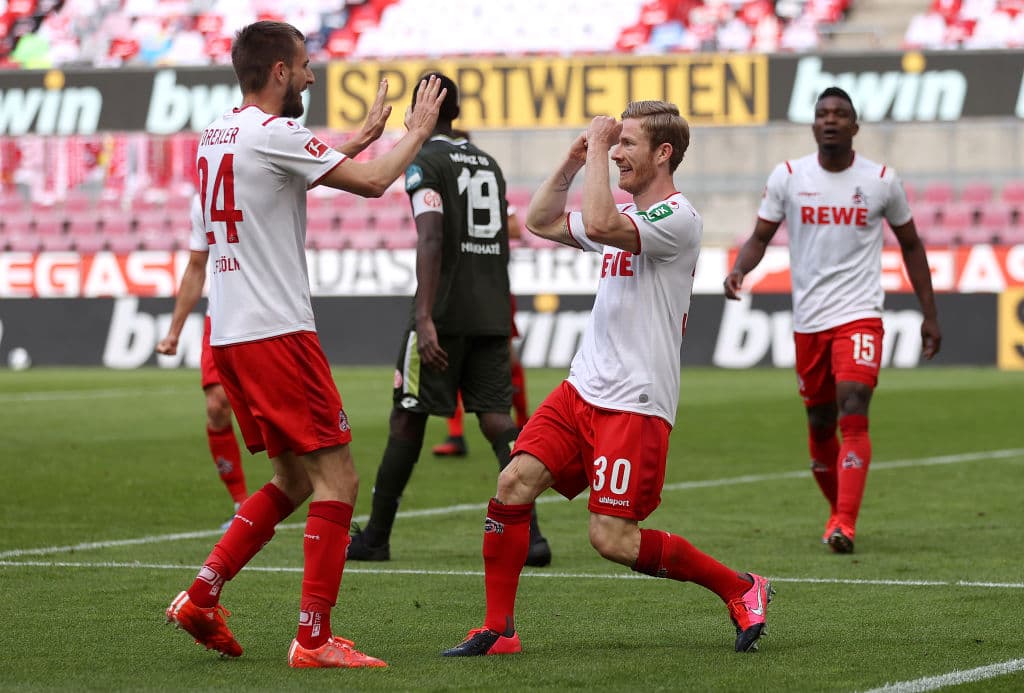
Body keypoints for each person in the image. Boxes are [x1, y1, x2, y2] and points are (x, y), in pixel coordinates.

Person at [443, 101, 774, 658]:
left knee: (611, 539)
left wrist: (597, 151)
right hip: (583, 389)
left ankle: (741, 587)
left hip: (636, 401)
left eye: (628, 144)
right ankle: (499, 630)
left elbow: (599, 222)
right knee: (513, 484)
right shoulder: (624, 217)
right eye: (613, 142)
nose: (617, 152)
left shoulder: (677, 218)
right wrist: (574, 162)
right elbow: (540, 221)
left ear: (663, 154)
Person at [163, 20, 446, 669]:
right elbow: (373, 183)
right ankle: (314, 638)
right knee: (339, 476)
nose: (313, 76)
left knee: (292, 477)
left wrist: (363, 138)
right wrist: (418, 131)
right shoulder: (276, 133)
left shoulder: (216, 138)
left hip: (229, 333)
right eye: (306, 65)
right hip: (276, 331)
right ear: (281, 72)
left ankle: (202, 595)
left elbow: (275, 179)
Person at [724, 86, 941, 554]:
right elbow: (761, 235)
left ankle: (845, 520)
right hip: (809, 321)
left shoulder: (881, 179)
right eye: (822, 113)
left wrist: (930, 313)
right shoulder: (787, 176)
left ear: (854, 126)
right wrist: (740, 268)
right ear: (813, 124)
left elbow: (912, 245)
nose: (830, 120)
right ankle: (837, 514)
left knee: (853, 403)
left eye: (840, 114)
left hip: (860, 314)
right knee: (820, 423)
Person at [346, 73, 551, 568]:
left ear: (425, 109)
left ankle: (375, 536)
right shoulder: (488, 163)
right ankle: (534, 538)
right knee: (498, 418)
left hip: (443, 312)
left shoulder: (425, 161)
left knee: (407, 417)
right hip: (491, 311)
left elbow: (431, 238)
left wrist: (424, 316)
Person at [156, 195, 248, 529]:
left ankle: (320, 492)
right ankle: (241, 503)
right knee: (216, 406)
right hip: (221, 316)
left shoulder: (269, 173)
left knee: (282, 414)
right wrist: (174, 332)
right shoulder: (204, 198)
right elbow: (197, 267)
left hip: (269, 315)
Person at [433, 206, 531, 458]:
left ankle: (524, 425)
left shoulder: (490, 194)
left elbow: (516, 229)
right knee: (452, 357)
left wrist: (469, 230)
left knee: (506, 359)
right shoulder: (446, 196)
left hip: (493, 288)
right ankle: (455, 436)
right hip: (458, 291)